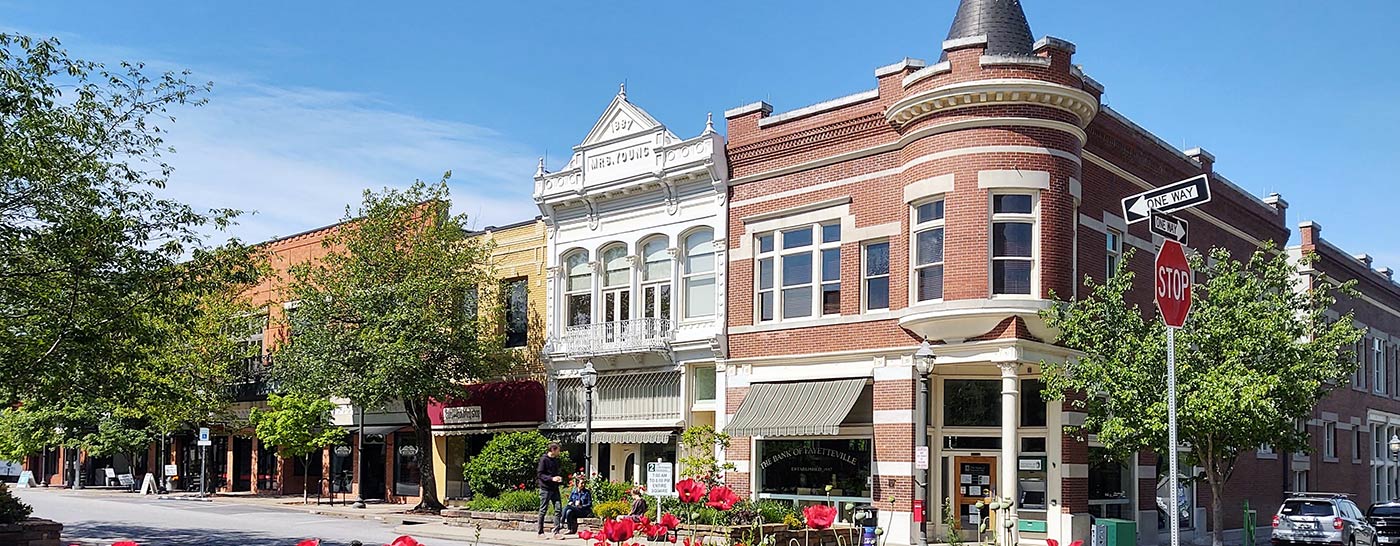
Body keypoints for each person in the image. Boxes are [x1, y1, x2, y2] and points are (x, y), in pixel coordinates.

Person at [536, 442, 565, 539]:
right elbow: (540, 474)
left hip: (555, 488)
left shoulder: (555, 460)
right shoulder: (544, 459)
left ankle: (556, 532)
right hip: (545, 489)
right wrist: (551, 478)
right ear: (553, 449)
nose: (559, 452)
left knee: (558, 509)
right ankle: (540, 532)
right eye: (558, 450)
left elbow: (555, 473)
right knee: (543, 510)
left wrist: (558, 478)